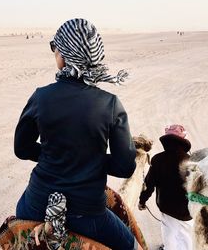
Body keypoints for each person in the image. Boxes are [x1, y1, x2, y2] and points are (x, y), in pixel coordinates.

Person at [14, 18, 140, 250]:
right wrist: (89, 159)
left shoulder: (40, 97)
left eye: (56, 47)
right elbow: (125, 167)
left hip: (34, 204)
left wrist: (56, 153)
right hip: (88, 213)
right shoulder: (110, 104)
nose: (54, 53)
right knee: (134, 247)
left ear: (64, 55)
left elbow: (21, 149)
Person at [138, 124, 193, 250]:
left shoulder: (158, 159)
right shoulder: (191, 161)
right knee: (187, 236)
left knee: (169, 232)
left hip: (166, 206)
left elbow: (148, 184)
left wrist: (142, 201)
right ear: (183, 141)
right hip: (187, 210)